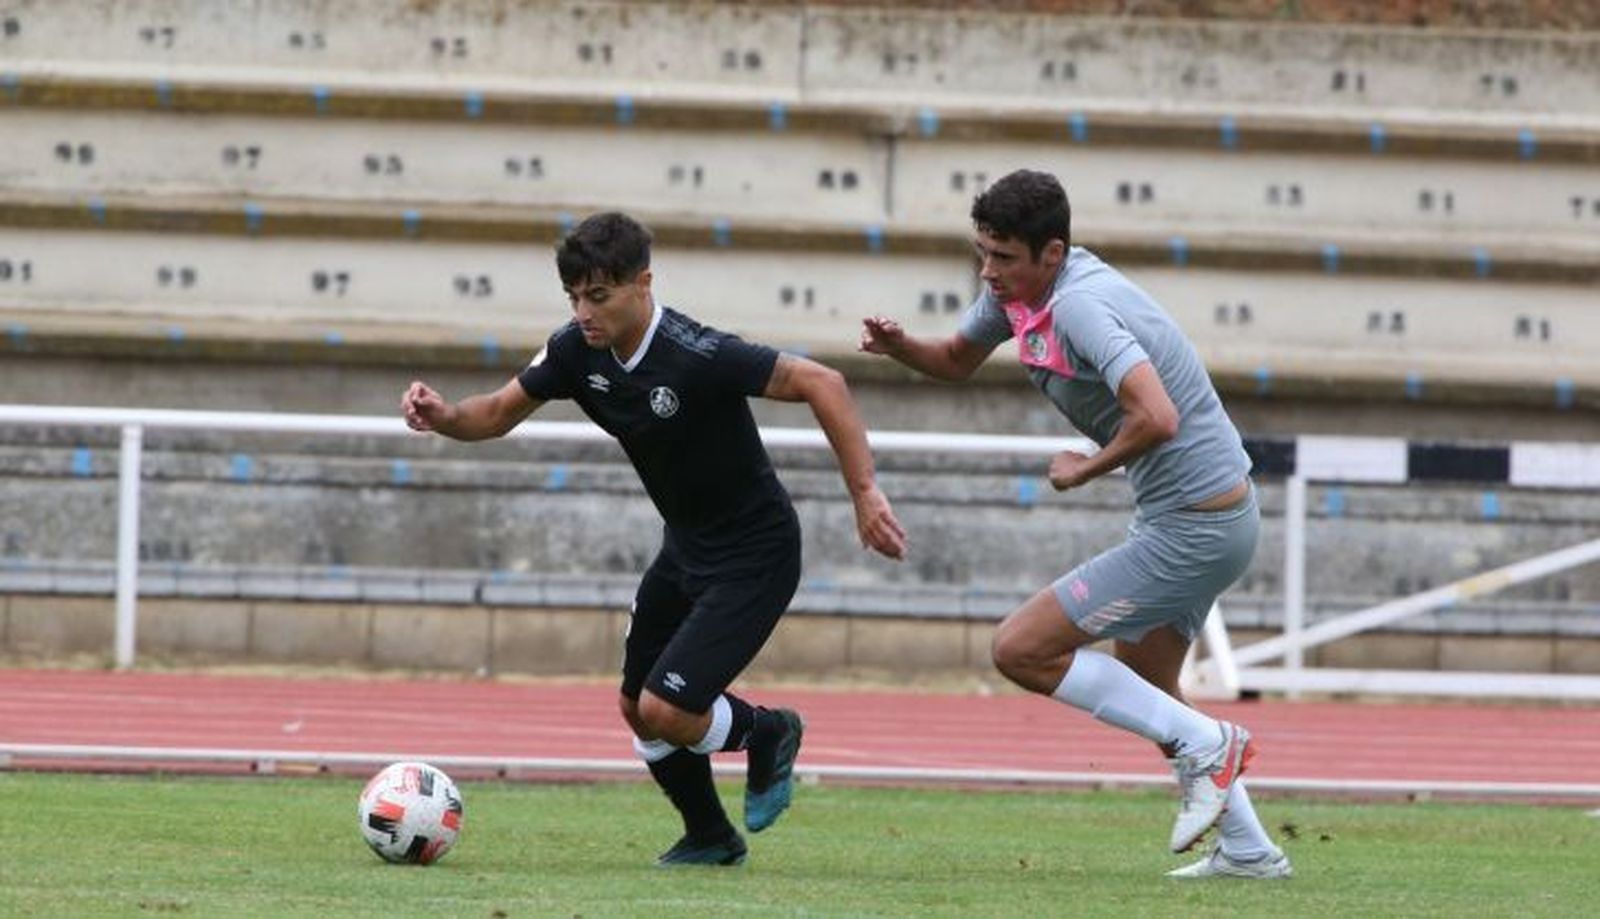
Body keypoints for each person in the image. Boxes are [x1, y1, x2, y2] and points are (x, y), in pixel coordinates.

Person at [404, 211, 908, 867]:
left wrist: (864, 491)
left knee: (667, 708)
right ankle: (709, 835)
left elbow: (824, 382)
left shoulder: (697, 354)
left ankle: (768, 729)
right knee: (634, 706)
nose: (585, 311)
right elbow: (495, 413)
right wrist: (444, 417)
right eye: (575, 297)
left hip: (755, 554)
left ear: (643, 283)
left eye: (600, 295)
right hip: (686, 548)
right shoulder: (573, 352)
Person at [859, 169, 1291, 879]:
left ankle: (1214, 743)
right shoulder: (1020, 294)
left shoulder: (1080, 307)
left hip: (1196, 527)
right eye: (982, 253)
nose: (987, 272)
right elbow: (957, 359)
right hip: (1205, 518)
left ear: (1052, 253)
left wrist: (1081, 468)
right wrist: (903, 345)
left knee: (1020, 648)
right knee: (1151, 691)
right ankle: (1248, 848)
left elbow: (1157, 415)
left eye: (1003, 257)